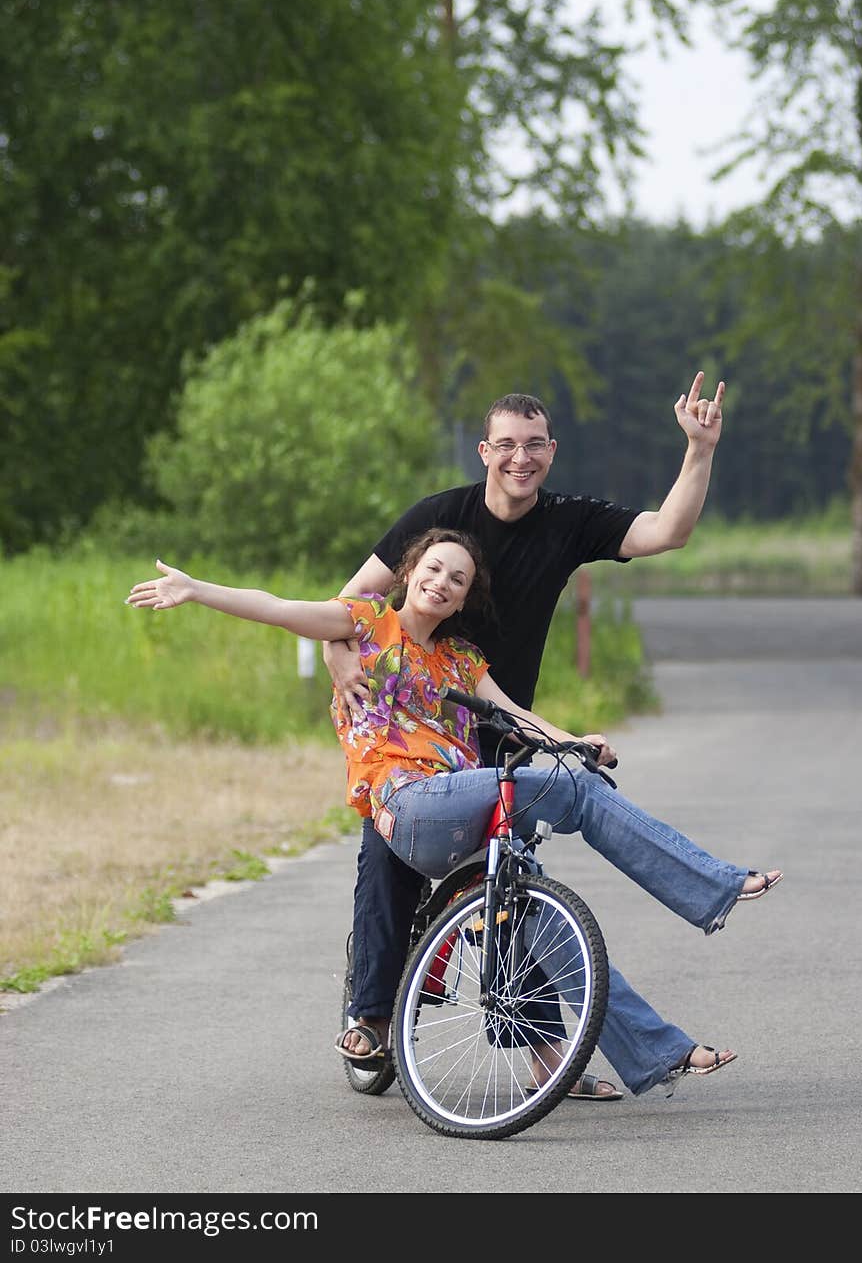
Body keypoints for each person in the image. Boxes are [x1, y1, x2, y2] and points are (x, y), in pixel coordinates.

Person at [125, 530, 782, 1099]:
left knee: (541, 919)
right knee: (577, 795)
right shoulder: (363, 624)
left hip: (461, 812)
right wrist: (197, 589)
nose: (443, 582)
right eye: (434, 570)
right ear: (409, 574)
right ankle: (713, 883)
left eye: (458, 579)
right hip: (407, 805)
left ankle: (653, 1051)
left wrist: (574, 741)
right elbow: (276, 608)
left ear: (465, 598)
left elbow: (517, 717)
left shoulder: (462, 661)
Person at [325, 375, 730, 1096]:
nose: (520, 458)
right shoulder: (441, 516)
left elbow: (669, 531)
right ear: (485, 450)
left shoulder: (570, 521)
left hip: (501, 731)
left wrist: (698, 449)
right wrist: (341, 666)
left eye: (534, 445)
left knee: (513, 893)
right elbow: (350, 603)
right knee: (385, 863)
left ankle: (551, 1063)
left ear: (551, 451)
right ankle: (370, 1017)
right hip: (414, 734)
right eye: (506, 445)